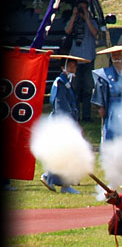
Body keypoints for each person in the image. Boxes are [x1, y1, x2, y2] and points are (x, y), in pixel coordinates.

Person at [40, 55, 87, 194]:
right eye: (70, 65)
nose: (73, 68)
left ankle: (65, 184)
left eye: (74, 65)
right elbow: (62, 107)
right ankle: (49, 176)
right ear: (63, 67)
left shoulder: (67, 82)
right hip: (61, 123)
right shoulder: (60, 82)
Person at [62, 0, 99, 123]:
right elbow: (67, 30)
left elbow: (95, 33)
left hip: (88, 60)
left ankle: (87, 116)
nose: (82, 11)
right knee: (75, 89)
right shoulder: (73, 21)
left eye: (84, 8)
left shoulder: (92, 21)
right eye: (80, 8)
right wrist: (74, 16)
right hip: (75, 61)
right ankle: (75, 115)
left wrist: (87, 18)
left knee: (88, 89)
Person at [92, 44, 122, 145]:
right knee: (111, 130)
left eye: (118, 54)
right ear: (111, 57)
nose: (117, 57)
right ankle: (109, 153)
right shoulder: (105, 73)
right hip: (112, 105)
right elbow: (99, 88)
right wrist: (101, 106)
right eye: (114, 55)